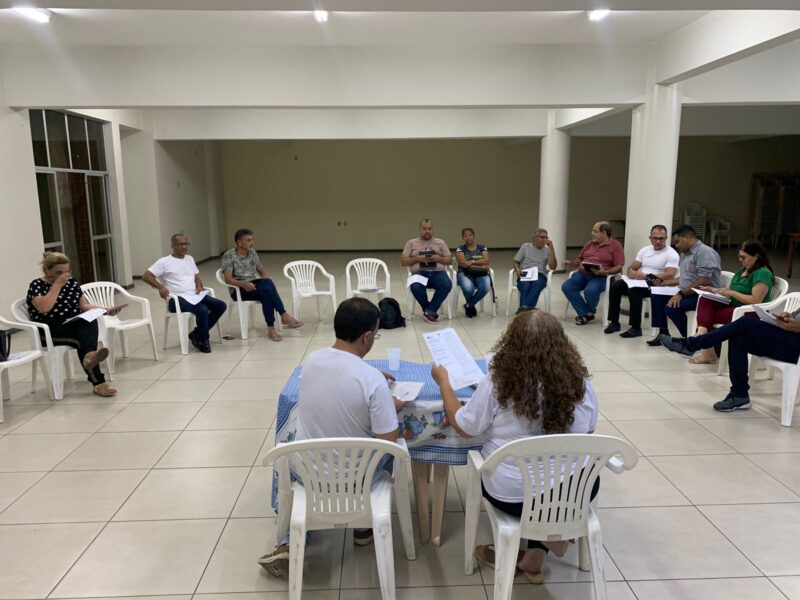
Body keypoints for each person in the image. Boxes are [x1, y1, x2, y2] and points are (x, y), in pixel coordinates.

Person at [431, 310, 599, 584]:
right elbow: (589, 431)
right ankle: (542, 546)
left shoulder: (498, 383)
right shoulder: (580, 383)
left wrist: (444, 382)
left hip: (516, 497)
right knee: (551, 475)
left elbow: (464, 427)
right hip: (575, 492)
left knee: (526, 478)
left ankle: (540, 542)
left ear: (511, 342)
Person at [258, 297, 404, 577]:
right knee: (388, 453)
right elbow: (387, 440)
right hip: (357, 479)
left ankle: (290, 542)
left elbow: (338, 383)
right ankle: (364, 527)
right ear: (367, 336)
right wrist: (390, 405)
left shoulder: (312, 361)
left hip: (308, 473)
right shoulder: (372, 380)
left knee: (299, 438)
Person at [659, 307, 800, 412]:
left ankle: (690, 345)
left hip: (795, 347)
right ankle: (739, 395)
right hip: (788, 337)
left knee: (745, 322)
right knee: (738, 338)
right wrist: (790, 315)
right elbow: (796, 315)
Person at [26, 252, 120, 397]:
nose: (64, 275)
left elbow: (84, 305)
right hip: (50, 331)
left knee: (89, 320)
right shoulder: (36, 285)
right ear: (46, 270)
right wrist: (57, 285)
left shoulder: (71, 282)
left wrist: (105, 310)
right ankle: (96, 375)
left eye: (66, 271)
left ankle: (91, 362)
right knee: (84, 340)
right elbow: (44, 308)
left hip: (72, 324)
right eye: (58, 272)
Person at [687, 239, 774, 364]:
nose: (740, 260)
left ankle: (706, 347)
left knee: (706, 317)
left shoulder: (762, 273)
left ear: (756, 256)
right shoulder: (744, 270)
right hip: (735, 306)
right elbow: (731, 289)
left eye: (743, 257)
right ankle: (702, 334)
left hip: (750, 312)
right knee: (705, 299)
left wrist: (732, 293)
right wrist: (713, 290)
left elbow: (756, 300)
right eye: (739, 257)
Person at [142, 233, 227, 353]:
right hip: (176, 299)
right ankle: (203, 339)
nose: (184, 247)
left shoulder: (189, 259)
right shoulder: (164, 262)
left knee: (220, 305)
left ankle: (196, 334)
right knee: (202, 309)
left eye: (186, 244)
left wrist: (198, 285)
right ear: (172, 246)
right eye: (181, 244)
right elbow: (146, 276)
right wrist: (160, 287)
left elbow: (196, 276)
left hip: (193, 295)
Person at [221, 228, 303, 342]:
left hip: (254, 286)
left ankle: (272, 327)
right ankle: (282, 317)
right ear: (239, 242)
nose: (252, 243)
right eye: (248, 240)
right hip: (239, 289)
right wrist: (243, 284)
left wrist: (264, 279)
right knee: (266, 289)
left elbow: (262, 271)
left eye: (252, 240)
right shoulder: (229, 255)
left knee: (266, 287)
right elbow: (228, 279)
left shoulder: (252, 253)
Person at [646, 224, 722, 347]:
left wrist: (680, 294)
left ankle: (693, 339)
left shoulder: (704, 252)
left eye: (678, 241)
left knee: (672, 307)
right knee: (657, 295)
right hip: (688, 291)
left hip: (704, 295)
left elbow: (704, 281)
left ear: (687, 238)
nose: (676, 245)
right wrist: (664, 283)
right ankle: (663, 334)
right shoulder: (684, 253)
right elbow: (685, 278)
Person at [604, 224, 679, 338]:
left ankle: (636, 327)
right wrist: (631, 273)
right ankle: (614, 322)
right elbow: (632, 267)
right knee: (615, 286)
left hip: (657, 283)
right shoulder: (645, 250)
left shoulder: (671, 253)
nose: (658, 241)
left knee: (634, 290)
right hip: (640, 280)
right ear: (650, 238)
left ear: (666, 238)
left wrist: (646, 277)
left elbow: (670, 274)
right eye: (655, 238)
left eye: (661, 238)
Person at [561, 221, 624, 325]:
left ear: (604, 233)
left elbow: (619, 266)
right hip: (582, 274)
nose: (592, 233)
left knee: (590, 291)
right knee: (567, 287)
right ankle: (587, 313)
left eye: (595, 231)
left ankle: (585, 314)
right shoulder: (589, 244)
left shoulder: (615, 245)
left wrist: (606, 272)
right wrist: (571, 262)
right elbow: (580, 259)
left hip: (601, 276)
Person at [401, 219, 453, 323]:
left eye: (429, 228)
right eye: (424, 229)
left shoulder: (440, 242)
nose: (427, 231)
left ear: (433, 229)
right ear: (420, 229)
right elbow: (403, 261)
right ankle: (430, 311)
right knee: (415, 286)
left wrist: (438, 259)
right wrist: (416, 259)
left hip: (438, 273)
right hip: (419, 273)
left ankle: (429, 310)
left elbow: (449, 260)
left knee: (447, 284)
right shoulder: (411, 243)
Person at [513, 228, 557, 313]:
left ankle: (523, 309)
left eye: (546, 238)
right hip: (526, 273)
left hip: (540, 275)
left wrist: (552, 249)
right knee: (525, 285)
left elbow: (553, 267)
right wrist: (517, 269)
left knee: (537, 284)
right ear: (534, 238)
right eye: (542, 237)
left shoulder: (548, 250)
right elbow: (516, 262)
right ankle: (527, 309)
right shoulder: (525, 246)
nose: (545, 240)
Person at [455, 227, 492, 318]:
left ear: (474, 236)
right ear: (463, 238)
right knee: (468, 288)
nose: (468, 237)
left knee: (485, 287)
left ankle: (469, 305)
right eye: (465, 236)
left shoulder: (482, 247)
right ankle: (471, 307)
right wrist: (480, 265)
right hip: (464, 273)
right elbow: (463, 264)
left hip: (480, 273)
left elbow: (486, 260)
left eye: (470, 235)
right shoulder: (460, 249)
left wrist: (471, 262)